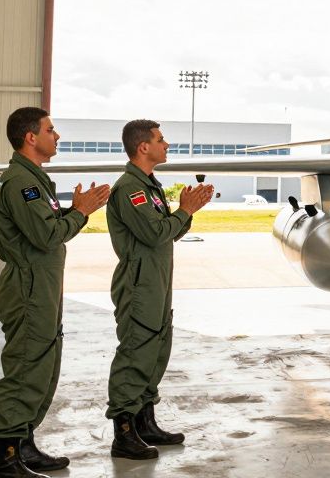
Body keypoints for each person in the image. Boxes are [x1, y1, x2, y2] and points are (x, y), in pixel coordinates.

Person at [0, 107, 110, 478]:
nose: (57, 136)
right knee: (26, 367)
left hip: (41, 285)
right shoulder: (21, 183)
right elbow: (46, 235)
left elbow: (47, 224)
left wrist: (74, 209)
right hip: (29, 286)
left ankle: (23, 444)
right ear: (31, 137)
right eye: (50, 130)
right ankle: (6, 459)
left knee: (41, 366)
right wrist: (81, 212)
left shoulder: (33, 180)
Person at [105, 119, 214, 460]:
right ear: (143, 147)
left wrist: (186, 213)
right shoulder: (131, 189)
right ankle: (124, 434)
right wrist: (184, 210)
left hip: (156, 281)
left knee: (156, 350)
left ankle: (144, 422)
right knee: (136, 353)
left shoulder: (149, 186)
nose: (166, 145)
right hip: (140, 284)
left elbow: (168, 232)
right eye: (161, 139)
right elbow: (154, 234)